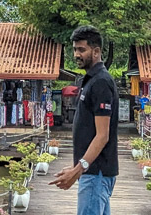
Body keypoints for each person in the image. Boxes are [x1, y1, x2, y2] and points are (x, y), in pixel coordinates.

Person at [50, 25, 118, 215]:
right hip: (93, 173)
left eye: (82, 50)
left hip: (96, 173)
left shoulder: (101, 82)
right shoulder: (90, 81)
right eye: (74, 49)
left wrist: (79, 169)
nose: (76, 54)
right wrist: (76, 167)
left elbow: (102, 136)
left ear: (96, 51)